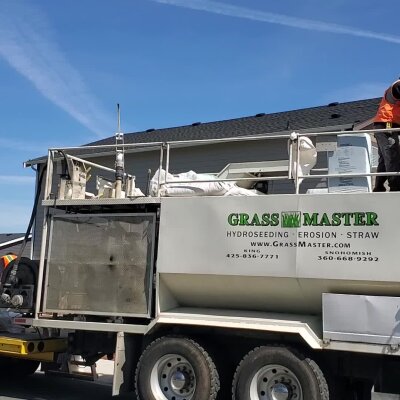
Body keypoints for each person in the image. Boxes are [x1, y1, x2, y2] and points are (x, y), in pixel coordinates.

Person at [373, 79, 400, 192]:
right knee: (392, 154)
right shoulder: (397, 86)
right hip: (387, 125)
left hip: (386, 125)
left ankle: (379, 187)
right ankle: (395, 187)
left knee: (385, 158)